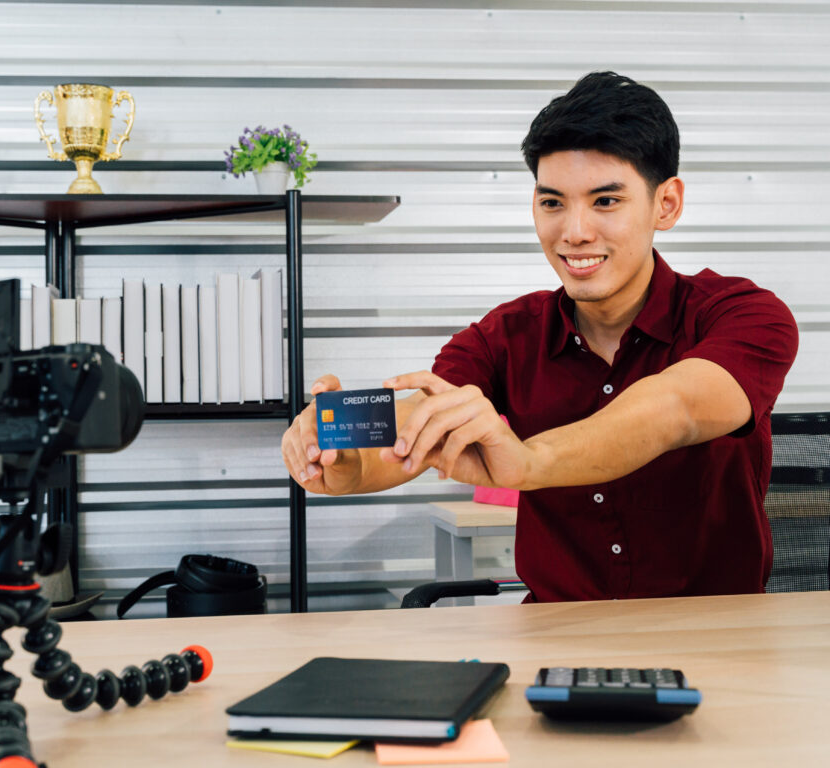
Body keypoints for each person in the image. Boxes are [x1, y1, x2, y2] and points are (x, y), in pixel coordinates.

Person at [281, 71, 798, 602]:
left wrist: (528, 462)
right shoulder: (503, 336)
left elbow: (676, 408)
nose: (573, 231)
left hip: (717, 629)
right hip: (554, 632)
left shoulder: (744, 316)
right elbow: (419, 419)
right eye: (552, 202)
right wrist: (337, 456)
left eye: (605, 201)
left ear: (665, 204)